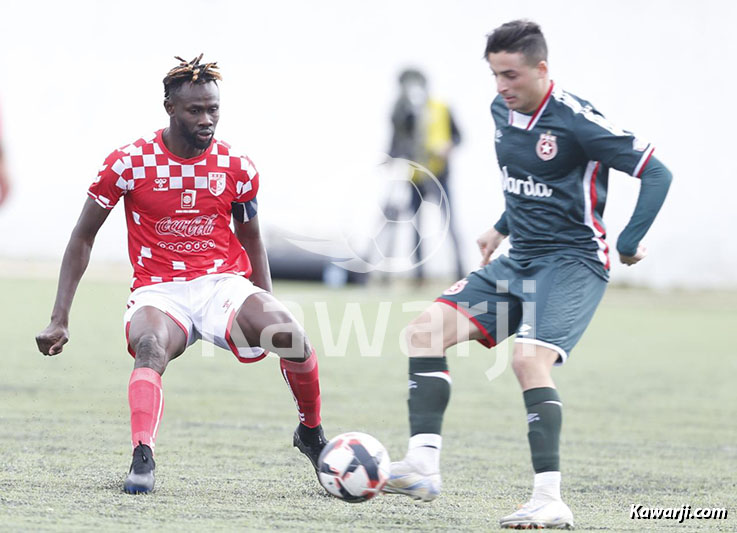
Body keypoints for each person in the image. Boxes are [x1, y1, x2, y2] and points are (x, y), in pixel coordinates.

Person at [383, 20, 672, 529]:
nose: (501, 87)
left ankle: (549, 500)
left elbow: (656, 171)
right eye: (495, 75)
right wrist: (499, 228)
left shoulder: (577, 121)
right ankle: (422, 467)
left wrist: (628, 241)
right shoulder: (503, 110)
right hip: (521, 257)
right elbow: (526, 183)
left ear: (542, 69)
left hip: (574, 261)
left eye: (511, 75)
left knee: (528, 361)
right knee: (423, 332)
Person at [35, 55, 327, 494]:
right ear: (170, 108)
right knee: (150, 347)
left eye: (213, 109)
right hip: (159, 291)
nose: (207, 119)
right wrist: (60, 317)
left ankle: (311, 432)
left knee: (293, 338)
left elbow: (252, 238)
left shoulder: (237, 168)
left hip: (221, 284)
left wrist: (269, 302)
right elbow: (82, 238)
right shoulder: (128, 163)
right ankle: (142, 456)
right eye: (195, 110)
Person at [386, 69, 464, 282]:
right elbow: (396, 141)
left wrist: (448, 147)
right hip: (415, 176)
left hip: (439, 174)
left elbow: (458, 137)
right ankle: (419, 275)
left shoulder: (441, 108)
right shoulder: (403, 113)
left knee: (449, 223)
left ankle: (460, 271)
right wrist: (390, 159)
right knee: (415, 226)